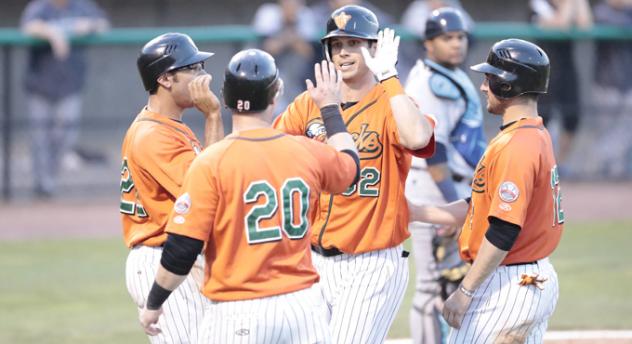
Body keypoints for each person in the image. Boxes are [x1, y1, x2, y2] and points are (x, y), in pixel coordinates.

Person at [138, 49, 360, 343]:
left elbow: (182, 249)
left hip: (239, 309)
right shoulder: (306, 150)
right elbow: (351, 166)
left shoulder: (211, 162)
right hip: (303, 308)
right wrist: (330, 108)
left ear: (226, 97)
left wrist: (153, 303)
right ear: (276, 94)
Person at [273, 5, 436, 343]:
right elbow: (269, 153)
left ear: (374, 48)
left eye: (353, 43)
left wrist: (389, 76)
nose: (343, 52)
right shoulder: (310, 102)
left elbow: (418, 137)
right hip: (314, 261)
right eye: (336, 45)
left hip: (371, 264)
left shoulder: (392, 101)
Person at [409, 39, 564, 342]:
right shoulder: (532, 134)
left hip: (506, 285)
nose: (483, 87)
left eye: (490, 78)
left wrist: (465, 290)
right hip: (527, 278)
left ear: (508, 86)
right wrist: (416, 212)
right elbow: (480, 203)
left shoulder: (517, 146)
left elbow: (504, 229)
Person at [120, 32, 224, 344]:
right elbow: (210, 193)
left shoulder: (167, 125)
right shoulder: (154, 136)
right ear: (165, 78)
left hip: (174, 258)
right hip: (161, 260)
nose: (202, 76)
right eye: (193, 68)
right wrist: (214, 116)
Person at [403, 8, 486, 344]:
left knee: (456, 278)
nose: (456, 44)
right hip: (435, 188)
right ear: (428, 43)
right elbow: (433, 150)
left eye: (460, 37)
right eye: (446, 38)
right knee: (430, 282)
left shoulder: (445, 73)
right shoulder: (429, 82)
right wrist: (453, 204)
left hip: (451, 187)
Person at [20, 0, 110, 198]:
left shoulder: (81, 7)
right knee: (40, 137)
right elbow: (28, 27)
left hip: (69, 85)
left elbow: (103, 24)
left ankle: (49, 179)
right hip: (40, 85)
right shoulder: (40, 7)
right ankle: (43, 185)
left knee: (64, 135)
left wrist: (88, 26)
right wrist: (52, 33)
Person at [529, 0, 593, 176]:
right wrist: (569, 4)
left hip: (567, 68)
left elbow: (586, 26)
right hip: (544, 68)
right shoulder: (539, 4)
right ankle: (540, 163)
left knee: (572, 117)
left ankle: (560, 162)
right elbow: (561, 25)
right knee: (543, 117)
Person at [252, 0, 317, 111]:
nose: (291, 5)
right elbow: (267, 48)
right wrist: (288, 38)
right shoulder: (268, 13)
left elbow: (308, 51)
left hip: (296, 77)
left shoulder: (305, 15)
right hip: (267, 74)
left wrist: (289, 36)